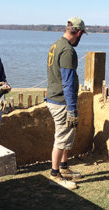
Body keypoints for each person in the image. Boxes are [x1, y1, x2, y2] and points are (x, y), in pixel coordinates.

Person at [46, 17, 86, 190]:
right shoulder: (68, 51)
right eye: (82, 34)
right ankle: (54, 175)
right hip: (62, 101)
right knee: (61, 138)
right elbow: (68, 82)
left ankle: (63, 167)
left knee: (67, 134)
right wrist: (71, 109)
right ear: (78, 32)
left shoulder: (56, 45)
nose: (81, 37)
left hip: (55, 97)